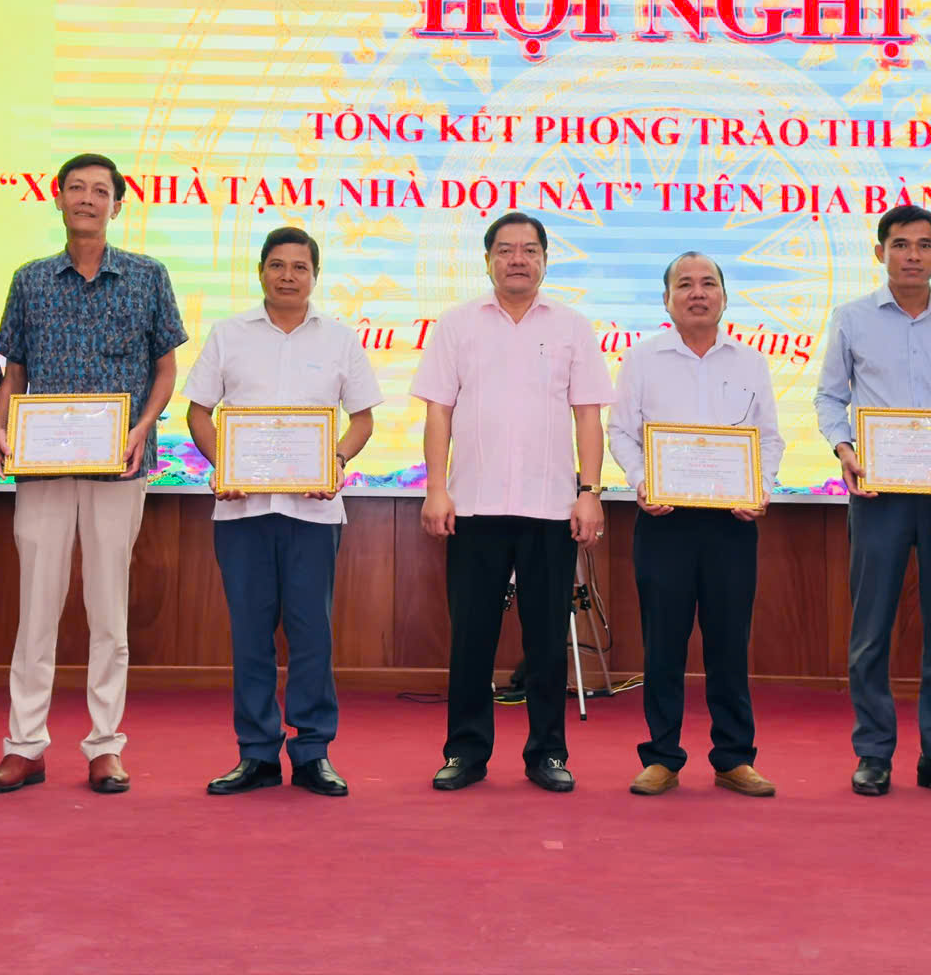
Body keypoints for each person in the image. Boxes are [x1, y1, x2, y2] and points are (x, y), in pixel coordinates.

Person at [0, 153, 185, 797]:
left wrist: (143, 427)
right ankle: (24, 746)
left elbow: (165, 369)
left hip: (119, 465)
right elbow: (14, 370)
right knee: (35, 611)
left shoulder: (148, 276)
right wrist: (2, 426)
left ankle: (105, 746)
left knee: (108, 612)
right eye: (77, 188)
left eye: (101, 190)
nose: (88, 199)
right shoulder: (30, 279)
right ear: (59, 198)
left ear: (117, 205)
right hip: (42, 465)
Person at [411, 212, 611, 794]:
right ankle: (466, 751)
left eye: (528, 250)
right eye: (505, 250)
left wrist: (590, 493)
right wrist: (436, 488)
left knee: (546, 639)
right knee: (471, 637)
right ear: (487, 260)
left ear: (545, 259)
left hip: (550, 507)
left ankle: (548, 753)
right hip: (473, 505)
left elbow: (588, 416)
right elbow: (438, 412)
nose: (517, 259)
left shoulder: (572, 326)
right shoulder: (457, 324)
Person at [183, 226, 382, 798]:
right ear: (261, 271)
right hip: (242, 511)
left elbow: (363, 419)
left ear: (315, 276)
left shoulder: (340, 339)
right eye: (277, 265)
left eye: (300, 267)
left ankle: (314, 752)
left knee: (311, 634)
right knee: (250, 637)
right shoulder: (229, 334)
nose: (288, 276)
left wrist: (335, 459)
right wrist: (224, 464)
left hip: (313, 514)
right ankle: (256, 754)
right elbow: (198, 412)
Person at [813, 205, 931, 800]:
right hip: (878, 493)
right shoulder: (851, 318)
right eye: (900, 244)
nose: (912, 255)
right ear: (880, 253)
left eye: (923, 244)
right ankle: (873, 753)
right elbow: (828, 399)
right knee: (871, 630)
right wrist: (845, 450)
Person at [610, 252, 783, 798]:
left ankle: (734, 757)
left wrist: (761, 487)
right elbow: (621, 433)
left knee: (729, 644)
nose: (697, 293)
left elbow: (769, 438)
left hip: (732, 522)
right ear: (667, 300)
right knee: (663, 644)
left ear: (724, 297)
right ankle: (662, 757)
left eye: (709, 283)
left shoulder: (750, 361)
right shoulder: (642, 359)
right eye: (684, 284)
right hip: (664, 521)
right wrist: (642, 481)